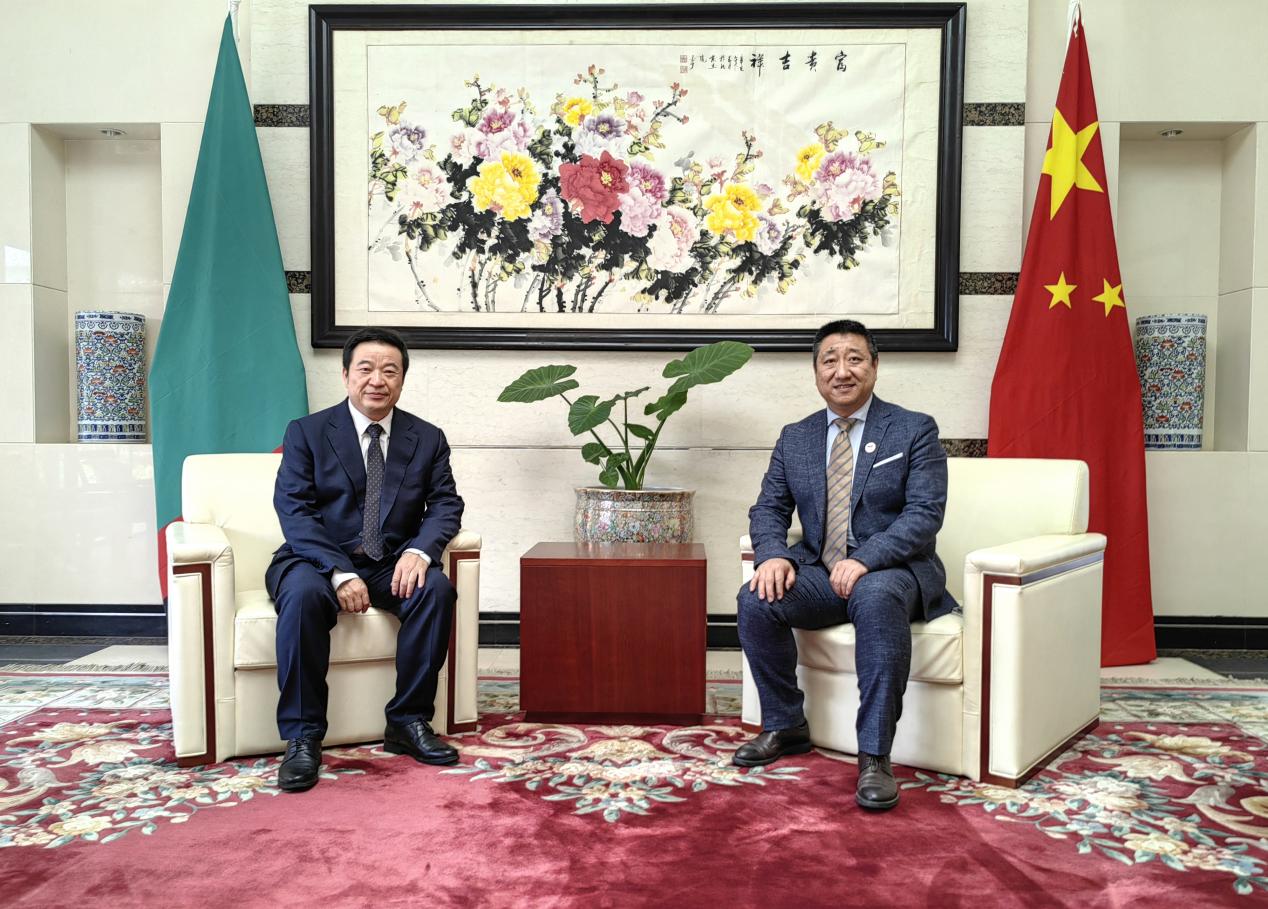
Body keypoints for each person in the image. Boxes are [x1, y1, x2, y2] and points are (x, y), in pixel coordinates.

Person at [735, 319, 956, 811]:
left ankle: (874, 756)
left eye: (854, 359)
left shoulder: (914, 429)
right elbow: (769, 508)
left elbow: (925, 514)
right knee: (757, 599)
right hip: (823, 570)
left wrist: (866, 560)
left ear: (874, 366)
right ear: (816, 372)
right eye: (830, 360)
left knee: (874, 596)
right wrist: (772, 554)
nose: (842, 371)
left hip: (894, 570)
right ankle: (786, 724)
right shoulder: (796, 437)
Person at [266, 327, 464, 792]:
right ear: (345, 375)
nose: (378, 380)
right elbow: (294, 510)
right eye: (366, 369)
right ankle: (303, 736)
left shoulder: (427, 438)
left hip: (389, 559)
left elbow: (446, 504)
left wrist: (419, 551)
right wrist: (338, 572)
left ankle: (408, 721)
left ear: (402, 379)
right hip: (315, 559)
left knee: (435, 589)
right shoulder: (307, 432)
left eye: (390, 371)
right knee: (302, 597)